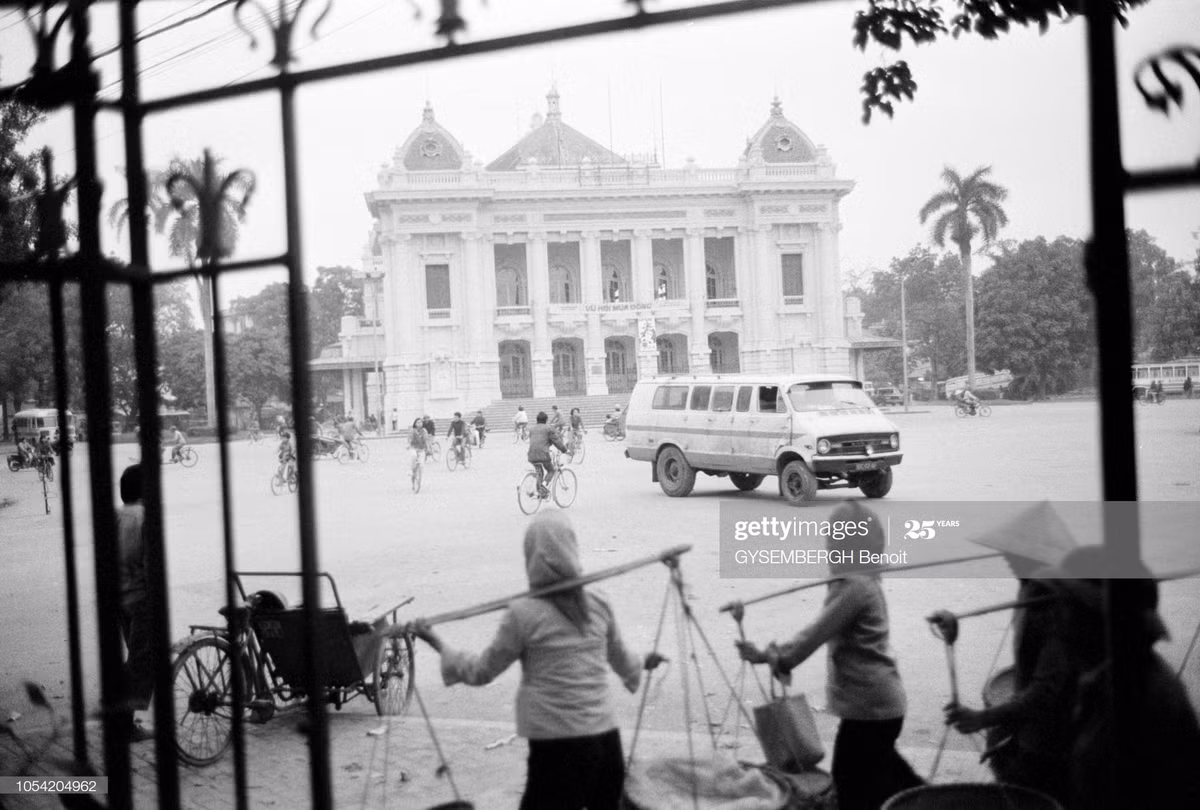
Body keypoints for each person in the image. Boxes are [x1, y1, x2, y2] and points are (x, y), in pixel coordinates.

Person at [407, 512, 664, 810]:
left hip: (557, 749)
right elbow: (621, 658)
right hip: (605, 748)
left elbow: (481, 671)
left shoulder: (522, 614)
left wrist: (436, 642)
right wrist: (643, 661)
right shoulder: (597, 602)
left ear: (531, 555)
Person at [735, 502, 923, 810]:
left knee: (851, 784)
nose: (828, 548)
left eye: (834, 541)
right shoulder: (864, 579)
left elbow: (813, 636)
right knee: (891, 777)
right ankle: (936, 799)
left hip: (871, 707)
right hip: (880, 705)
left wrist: (767, 656)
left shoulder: (854, 586)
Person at [1037, 546, 1200, 810]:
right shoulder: (1120, 678)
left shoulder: (1130, 696)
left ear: (1093, 620)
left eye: (1065, 606)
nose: (1054, 619)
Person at [115, 464, 155, 742]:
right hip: (142, 599)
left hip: (120, 597)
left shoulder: (115, 517)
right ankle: (123, 722)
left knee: (137, 657)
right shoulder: (146, 518)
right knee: (142, 660)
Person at [528, 412, 568, 499]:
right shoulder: (548, 428)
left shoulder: (531, 429)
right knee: (551, 470)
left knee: (539, 473)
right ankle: (543, 487)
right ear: (546, 420)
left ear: (537, 420)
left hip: (531, 455)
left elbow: (537, 441)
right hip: (543, 454)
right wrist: (565, 450)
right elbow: (557, 441)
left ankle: (541, 492)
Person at [406, 418, 428, 484]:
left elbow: (426, 439)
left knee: (421, 464)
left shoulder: (424, 431)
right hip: (414, 447)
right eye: (418, 422)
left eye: (421, 422)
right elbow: (410, 438)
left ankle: (420, 477)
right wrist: (408, 445)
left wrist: (428, 447)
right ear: (415, 424)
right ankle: (411, 470)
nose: (419, 424)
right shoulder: (412, 431)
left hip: (422, 448)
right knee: (414, 456)